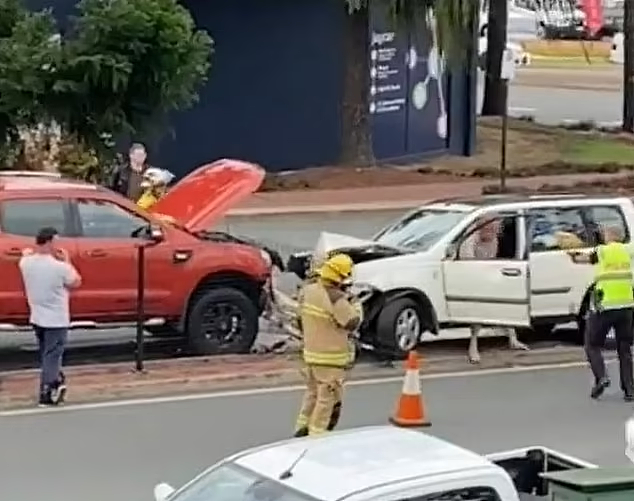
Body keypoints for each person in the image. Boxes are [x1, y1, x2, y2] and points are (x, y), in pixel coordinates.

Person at [293, 253, 361, 437]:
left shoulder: (309, 291)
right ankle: (317, 437)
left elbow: (299, 319)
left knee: (312, 394)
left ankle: (301, 428)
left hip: (310, 355)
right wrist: (355, 304)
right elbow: (352, 322)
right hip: (331, 359)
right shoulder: (336, 298)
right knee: (326, 400)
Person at [568, 226, 634, 401]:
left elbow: (583, 258)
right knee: (624, 349)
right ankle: (629, 390)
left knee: (592, 344)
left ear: (610, 236)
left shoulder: (602, 251)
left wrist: (572, 255)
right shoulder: (629, 250)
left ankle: (602, 377)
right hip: (627, 306)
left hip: (604, 307)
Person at [19, 227, 82, 406]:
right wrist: (68, 261)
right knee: (52, 355)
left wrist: (28, 252)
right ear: (50, 241)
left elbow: (25, 255)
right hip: (56, 318)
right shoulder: (59, 267)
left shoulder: (26, 263)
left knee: (47, 354)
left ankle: (55, 381)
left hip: (37, 316)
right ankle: (49, 388)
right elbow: (76, 281)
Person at [460, 218, 527, 363]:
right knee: (479, 309)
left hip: (488, 276)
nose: (493, 232)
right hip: (472, 278)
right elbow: (467, 262)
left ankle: (512, 338)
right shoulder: (471, 240)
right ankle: (473, 346)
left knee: (506, 301)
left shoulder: (494, 240)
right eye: (490, 228)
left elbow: (493, 259)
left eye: (496, 229)